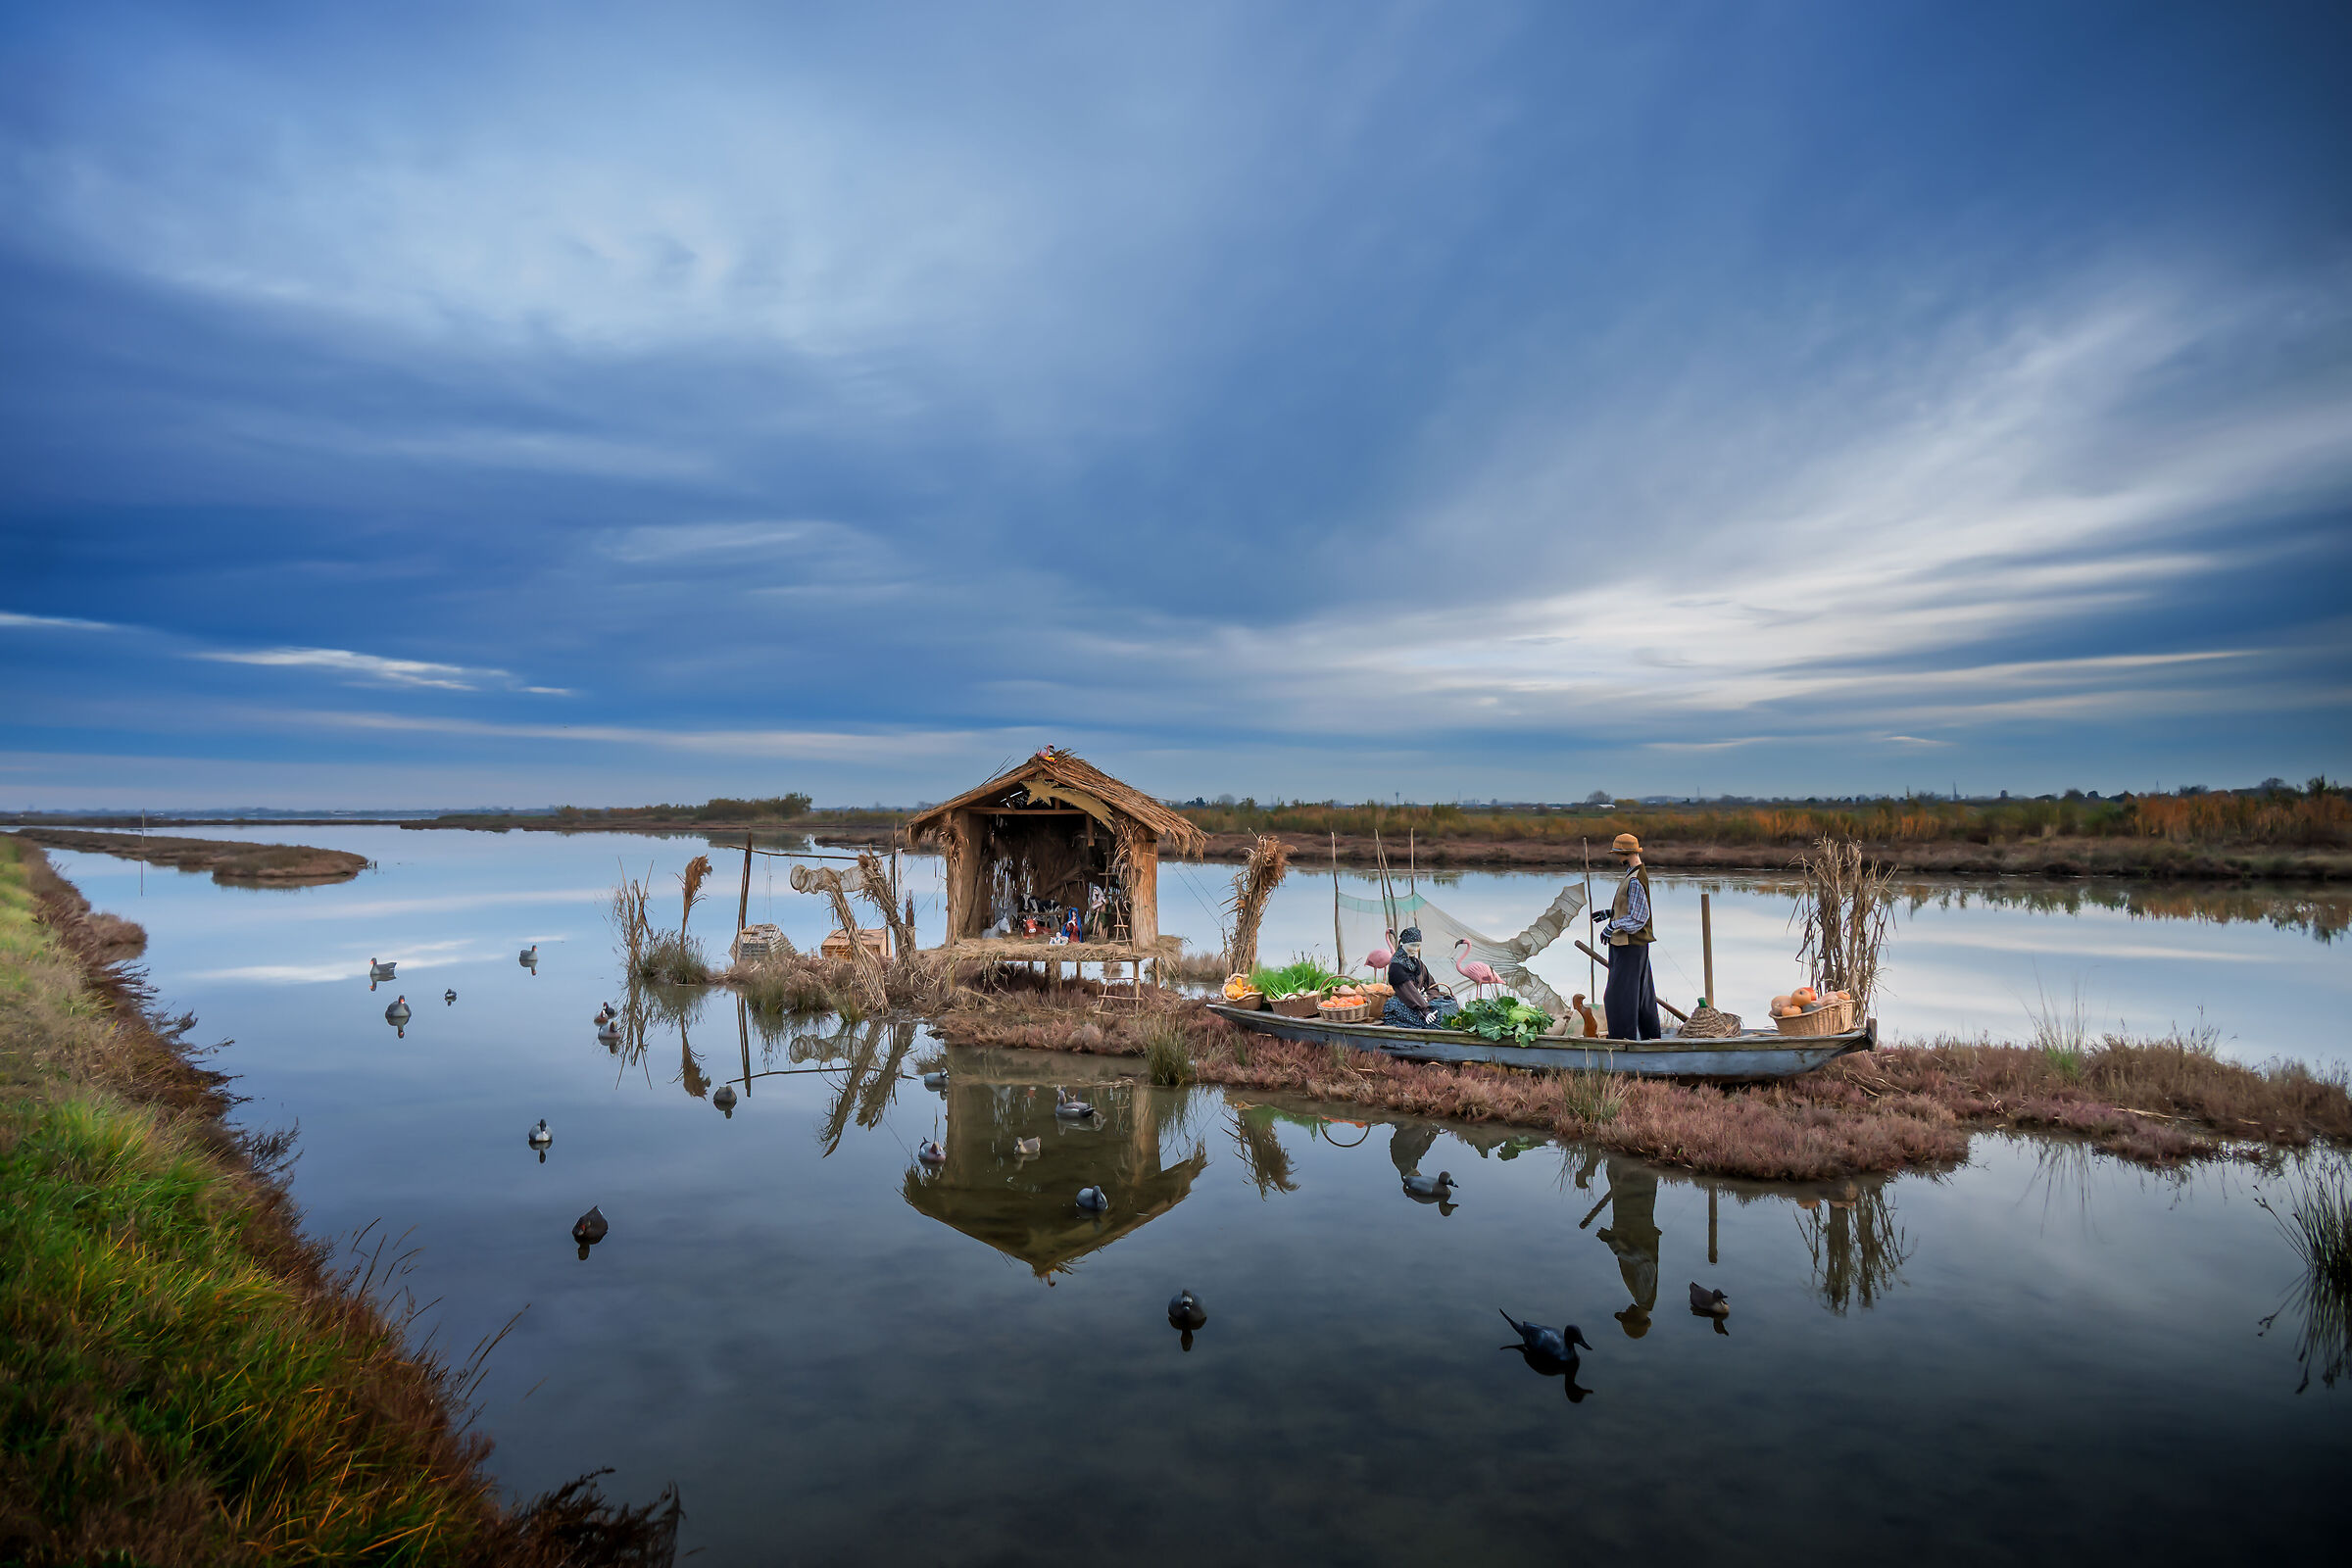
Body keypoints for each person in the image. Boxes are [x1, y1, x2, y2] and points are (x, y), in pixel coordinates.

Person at [1590, 832, 1663, 1040]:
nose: (1616, 858)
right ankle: (1650, 1038)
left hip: (1629, 946)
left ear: (1626, 854)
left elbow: (1639, 917)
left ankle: (1622, 1042)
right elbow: (1630, 909)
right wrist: (1610, 914)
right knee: (1641, 995)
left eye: (1617, 854)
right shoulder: (1633, 874)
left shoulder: (1635, 879)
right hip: (1631, 946)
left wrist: (1612, 926)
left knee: (1618, 997)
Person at [1382, 926, 1460, 1027]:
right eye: (1412, 945)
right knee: (1433, 1023)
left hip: (1420, 1002)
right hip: (1404, 1004)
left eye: (1418, 946)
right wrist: (1425, 1011)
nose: (1415, 949)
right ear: (1402, 944)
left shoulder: (1417, 963)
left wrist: (1427, 996)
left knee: (1447, 1004)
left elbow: (1432, 985)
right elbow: (1409, 992)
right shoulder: (1397, 966)